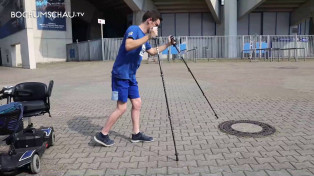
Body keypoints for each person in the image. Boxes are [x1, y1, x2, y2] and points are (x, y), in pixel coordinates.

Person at [94, 10, 174, 147]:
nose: (156, 28)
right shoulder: (133, 29)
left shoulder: (143, 36)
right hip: (120, 75)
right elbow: (128, 45)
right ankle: (103, 134)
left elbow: (153, 52)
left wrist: (168, 45)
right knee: (122, 108)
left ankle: (136, 134)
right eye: (156, 25)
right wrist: (149, 36)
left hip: (130, 76)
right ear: (149, 20)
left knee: (137, 104)